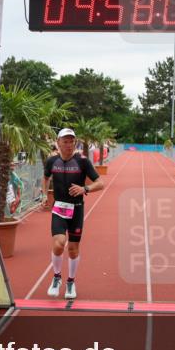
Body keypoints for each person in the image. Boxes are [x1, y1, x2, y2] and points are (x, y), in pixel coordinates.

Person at [41, 128, 103, 300]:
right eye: (65, 141)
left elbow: (100, 183)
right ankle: (56, 277)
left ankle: (70, 281)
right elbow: (45, 177)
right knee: (59, 243)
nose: (69, 145)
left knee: (73, 249)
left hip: (76, 209)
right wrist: (44, 195)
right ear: (58, 143)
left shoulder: (82, 161)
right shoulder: (52, 161)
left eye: (72, 141)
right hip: (59, 208)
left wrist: (85, 189)